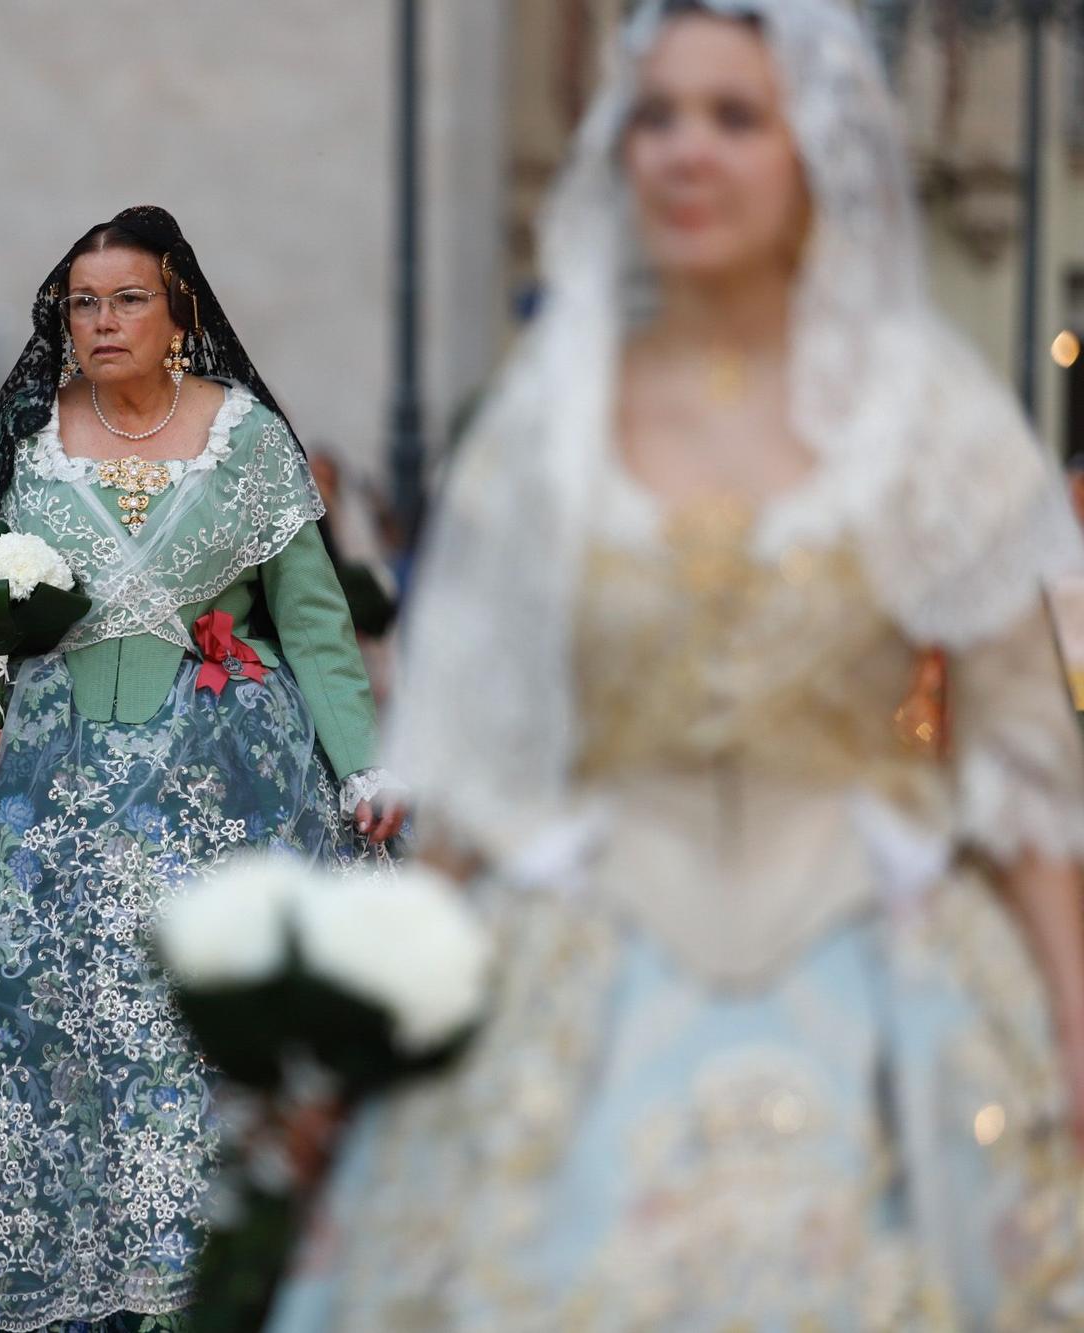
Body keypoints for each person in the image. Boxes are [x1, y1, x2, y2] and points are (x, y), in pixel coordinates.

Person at [270, 3, 1084, 1327]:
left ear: (817, 151)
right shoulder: (548, 424)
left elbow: (1027, 773)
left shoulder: (927, 421)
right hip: (589, 964)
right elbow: (470, 769)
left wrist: (1072, 1029)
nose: (685, 154)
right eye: (656, 117)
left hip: (880, 970)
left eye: (734, 118)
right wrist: (373, 1027)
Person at [0, 205, 405, 1333]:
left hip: (221, 786)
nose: (100, 321)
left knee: (191, 1038)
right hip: (36, 790)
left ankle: (196, 1288)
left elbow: (315, 628)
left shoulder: (248, 439)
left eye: (125, 298)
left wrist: (362, 771)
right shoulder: (28, 437)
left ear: (178, 311)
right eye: (81, 302)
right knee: (38, 1037)